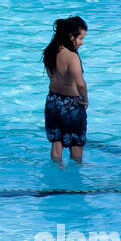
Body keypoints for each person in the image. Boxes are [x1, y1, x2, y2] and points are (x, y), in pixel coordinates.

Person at [43, 16, 88, 165]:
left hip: (52, 102)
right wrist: (85, 99)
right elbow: (80, 83)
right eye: (80, 38)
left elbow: (51, 76)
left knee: (56, 143)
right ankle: (73, 183)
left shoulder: (50, 51)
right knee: (76, 147)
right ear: (71, 36)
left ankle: (56, 176)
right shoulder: (72, 57)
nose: (82, 42)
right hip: (71, 105)